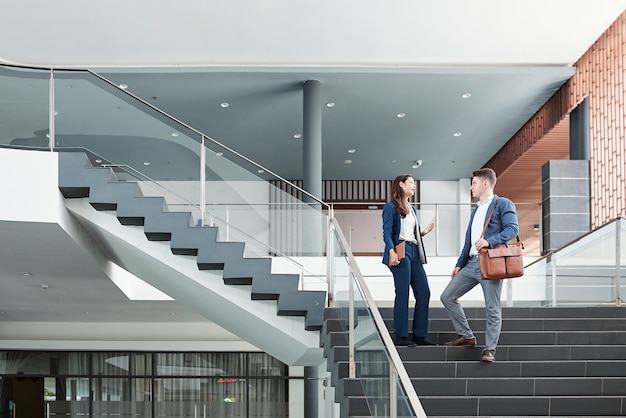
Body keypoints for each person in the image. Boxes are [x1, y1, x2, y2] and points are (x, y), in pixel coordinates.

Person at [440, 167, 519, 362]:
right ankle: (466, 336)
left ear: (485, 184)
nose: (471, 187)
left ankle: (489, 350)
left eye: (474, 183)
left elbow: (512, 229)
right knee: (447, 296)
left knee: (492, 308)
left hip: (490, 262)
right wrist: (460, 264)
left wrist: (490, 241)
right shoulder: (476, 210)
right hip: (472, 263)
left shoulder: (503, 204)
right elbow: (469, 240)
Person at [382, 174, 435, 347]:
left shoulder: (413, 208)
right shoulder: (390, 206)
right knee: (403, 292)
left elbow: (412, 233)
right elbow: (387, 232)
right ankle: (401, 336)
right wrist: (391, 251)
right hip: (400, 250)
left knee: (424, 292)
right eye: (411, 183)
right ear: (401, 184)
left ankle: (419, 335)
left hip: (414, 251)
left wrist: (423, 233)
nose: (414, 186)